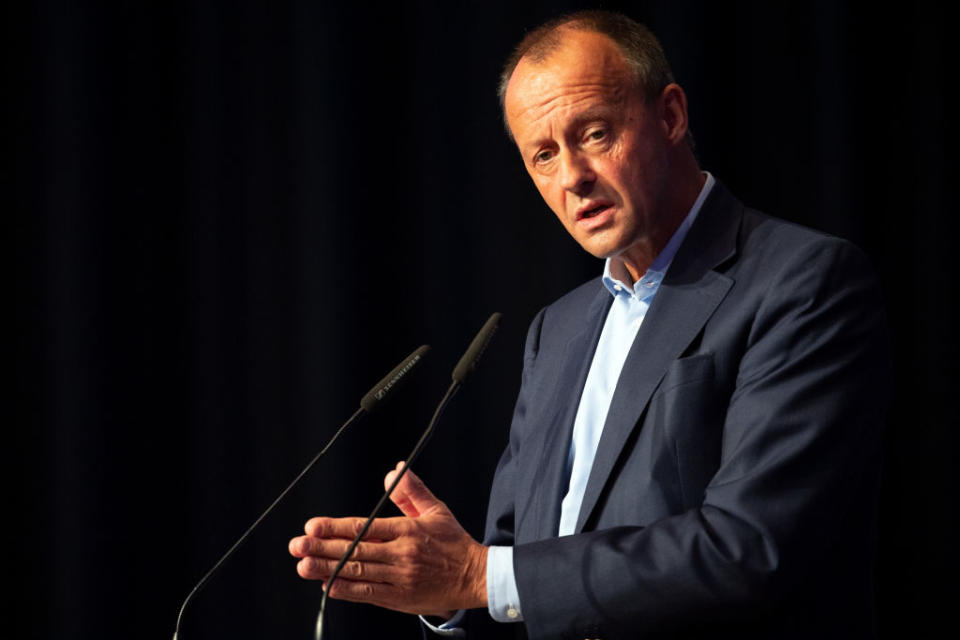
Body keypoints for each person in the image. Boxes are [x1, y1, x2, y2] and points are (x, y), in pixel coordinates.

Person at [288, 10, 890, 639]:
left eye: (596, 134)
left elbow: (748, 545)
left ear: (671, 116)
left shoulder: (803, 281)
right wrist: (451, 599)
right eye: (543, 155)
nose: (572, 176)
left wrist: (482, 578)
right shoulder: (559, 330)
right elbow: (515, 579)